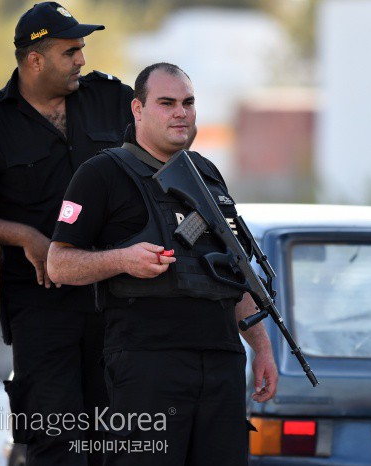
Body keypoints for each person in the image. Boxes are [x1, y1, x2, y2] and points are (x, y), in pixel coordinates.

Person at [47, 62, 278, 466]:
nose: (181, 113)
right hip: (148, 362)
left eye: (188, 103)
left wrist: (262, 347)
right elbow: (59, 264)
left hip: (221, 360)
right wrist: (123, 259)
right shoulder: (102, 173)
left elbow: (232, 272)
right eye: (167, 103)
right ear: (138, 109)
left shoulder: (207, 174)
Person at [0, 3, 134, 465]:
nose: (82, 59)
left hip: (118, 301)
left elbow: (161, 148)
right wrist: (26, 236)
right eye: (70, 52)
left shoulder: (111, 98)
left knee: (120, 442)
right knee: (55, 441)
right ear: (35, 60)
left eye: (82, 48)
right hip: (42, 310)